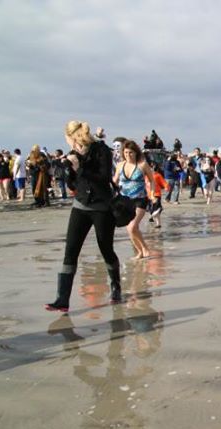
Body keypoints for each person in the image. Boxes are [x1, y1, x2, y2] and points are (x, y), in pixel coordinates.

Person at [45, 121, 121, 312]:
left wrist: (80, 167)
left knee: (106, 249)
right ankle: (62, 299)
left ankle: (116, 286)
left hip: (102, 207)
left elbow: (104, 178)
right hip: (80, 205)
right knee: (70, 250)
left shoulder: (101, 151)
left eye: (67, 139)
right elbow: (72, 185)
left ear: (72, 137)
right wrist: (67, 169)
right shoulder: (73, 154)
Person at [113, 140, 155, 260]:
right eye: (125, 152)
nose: (128, 155)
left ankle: (145, 248)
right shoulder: (120, 165)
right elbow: (115, 180)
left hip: (140, 199)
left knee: (132, 227)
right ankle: (140, 251)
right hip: (124, 200)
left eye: (130, 152)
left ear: (136, 152)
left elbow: (152, 180)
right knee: (131, 228)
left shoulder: (142, 164)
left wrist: (152, 194)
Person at [147, 164, 168, 229]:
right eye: (151, 168)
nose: (152, 169)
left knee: (155, 209)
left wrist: (166, 187)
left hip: (156, 194)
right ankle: (152, 217)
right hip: (148, 195)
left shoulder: (157, 175)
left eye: (153, 168)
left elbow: (163, 182)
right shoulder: (146, 176)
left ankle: (158, 223)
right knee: (150, 208)